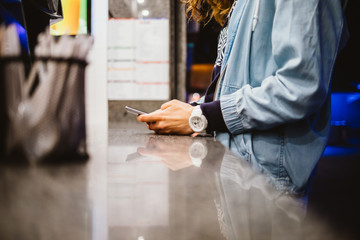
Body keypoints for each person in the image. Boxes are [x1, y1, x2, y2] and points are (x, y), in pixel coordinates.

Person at [137, 0, 347, 193]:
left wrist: (201, 117)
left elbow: (299, 88)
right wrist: (192, 111)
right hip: (240, 170)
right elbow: (239, 84)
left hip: (266, 182)